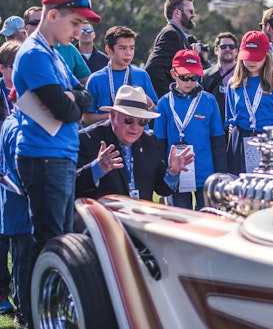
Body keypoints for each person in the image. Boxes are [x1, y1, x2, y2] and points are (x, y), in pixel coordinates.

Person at [12, 0, 98, 327]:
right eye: (75, 22)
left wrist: (72, 99)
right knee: (48, 242)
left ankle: (48, 313)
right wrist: (71, 100)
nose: (79, 31)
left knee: (58, 240)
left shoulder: (53, 52)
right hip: (44, 157)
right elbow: (66, 109)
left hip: (56, 157)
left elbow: (84, 97)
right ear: (52, 16)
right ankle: (36, 317)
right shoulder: (34, 54)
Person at [76, 85, 193, 202]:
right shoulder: (87, 139)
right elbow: (71, 186)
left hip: (139, 217)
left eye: (142, 121)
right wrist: (97, 168)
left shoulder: (149, 141)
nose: (135, 127)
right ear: (112, 116)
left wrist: (172, 172)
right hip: (104, 217)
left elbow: (162, 189)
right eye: (128, 120)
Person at [153, 50, 226, 210]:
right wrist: (164, 175)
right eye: (184, 77)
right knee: (181, 222)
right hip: (177, 174)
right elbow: (159, 142)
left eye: (194, 77)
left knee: (208, 220)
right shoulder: (164, 103)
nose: (190, 82)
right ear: (173, 74)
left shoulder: (209, 100)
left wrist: (220, 174)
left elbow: (218, 141)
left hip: (205, 174)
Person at [225, 31, 273, 175]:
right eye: (247, 57)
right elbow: (231, 118)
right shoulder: (234, 84)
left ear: (267, 56)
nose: (251, 62)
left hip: (268, 140)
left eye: (256, 58)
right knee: (239, 188)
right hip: (240, 141)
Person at [84, 26, 158, 126]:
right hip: (107, 136)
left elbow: (156, 111)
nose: (128, 53)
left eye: (131, 48)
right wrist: (116, 116)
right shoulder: (95, 79)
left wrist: (149, 102)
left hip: (138, 136)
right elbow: (86, 118)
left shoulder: (142, 75)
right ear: (109, 50)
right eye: (122, 48)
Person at [0, 112, 32, 326]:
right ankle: (24, 314)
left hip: (27, 211)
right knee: (24, 264)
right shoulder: (16, 128)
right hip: (23, 211)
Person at [145, 0, 199, 98]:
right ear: (177, 13)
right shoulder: (171, 34)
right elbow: (153, 68)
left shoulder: (176, 34)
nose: (194, 15)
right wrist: (170, 99)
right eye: (190, 11)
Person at [0, 41, 20, 317]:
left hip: (20, 171)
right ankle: (2, 293)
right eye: (16, 66)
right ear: (3, 68)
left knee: (20, 235)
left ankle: (20, 290)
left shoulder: (31, 90)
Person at [201, 32, 239, 129]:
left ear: (236, 51)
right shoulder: (205, 76)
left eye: (231, 47)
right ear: (216, 50)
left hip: (238, 128)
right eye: (223, 46)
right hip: (213, 128)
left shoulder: (245, 75)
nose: (227, 49)